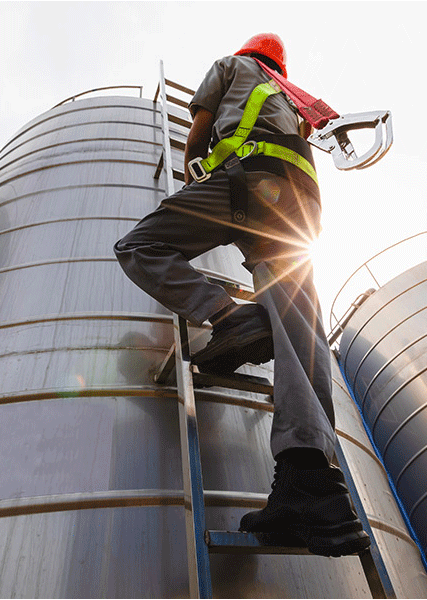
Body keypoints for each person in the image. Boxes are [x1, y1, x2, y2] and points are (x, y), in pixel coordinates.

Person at [114, 33, 370, 557]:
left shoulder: (231, 65)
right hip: (301, 211)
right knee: (304, 334)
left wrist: (190, 172)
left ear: (250, 52)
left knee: (140, 245)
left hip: (244, 183)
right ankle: (312, 483)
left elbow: (199, 132)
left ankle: (228, 316)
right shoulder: (293, 94)